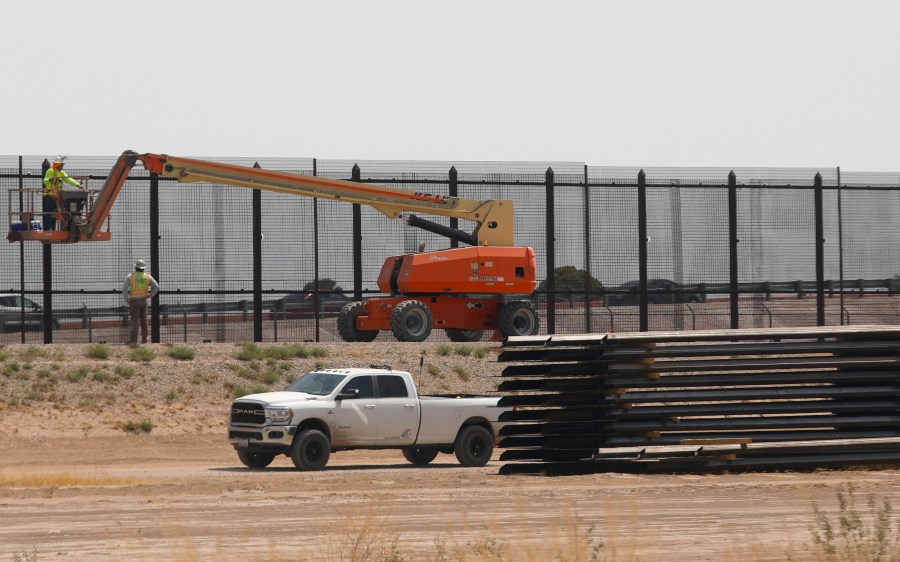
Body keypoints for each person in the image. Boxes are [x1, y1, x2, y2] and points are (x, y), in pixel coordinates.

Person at [122, 259, 159, 344]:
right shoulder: (147, 276)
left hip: (134, 301)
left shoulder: (130, 276)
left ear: (135, 267)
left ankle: (133, 340)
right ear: (143, 268)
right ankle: (144, 340)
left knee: (135, 320)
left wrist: (127, 299)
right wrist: (150, 295)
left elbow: (124, 288)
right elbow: (156, 286)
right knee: (144, 321)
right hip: (144, 301)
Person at [42, 156, 83, 231]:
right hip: (50, 195)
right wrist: (50, 180)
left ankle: (53, 229)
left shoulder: (61, 172)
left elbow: (68, 179)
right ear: (57, 164)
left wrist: (77, 185)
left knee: (55, 213)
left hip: (57, 196)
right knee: (50, 213)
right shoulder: (50, 171)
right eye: (62, 165)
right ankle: (47, 229)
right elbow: (45, 180)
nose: (63, 166)